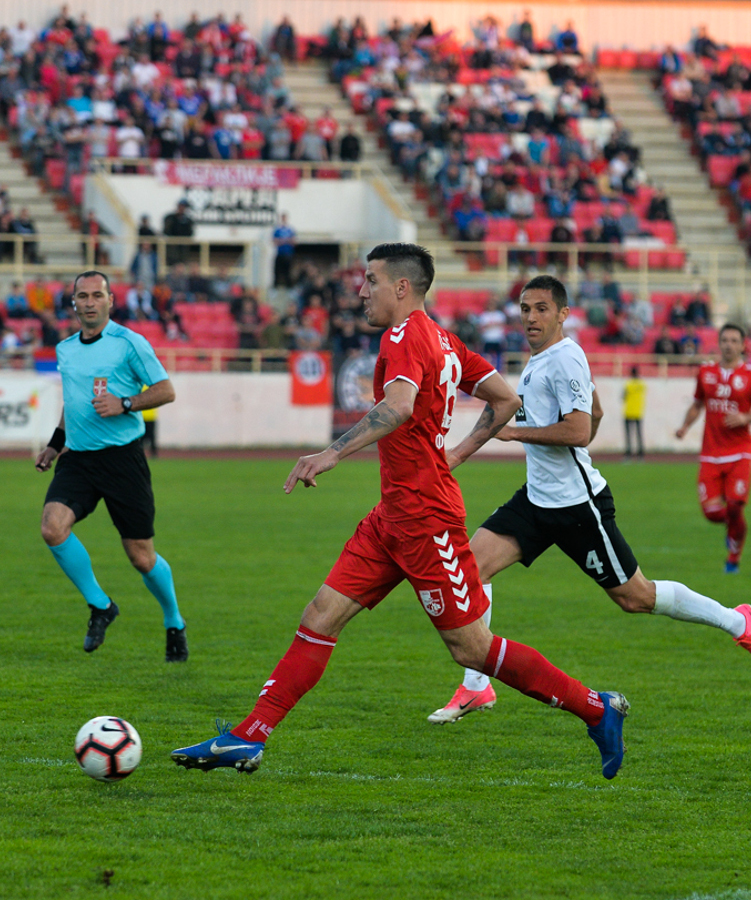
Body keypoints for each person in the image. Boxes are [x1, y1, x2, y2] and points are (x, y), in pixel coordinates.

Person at [171, 247, 634, 780]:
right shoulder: (443, 338)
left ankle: (597, 709)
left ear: (401, 288)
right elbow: (503, 400)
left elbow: (399, 406)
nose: (361, 291)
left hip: (427, 522)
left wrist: (332, 453)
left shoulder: (404, 337)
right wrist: (454, 455)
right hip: (393, 515)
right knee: (319, 617)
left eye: (370, 280)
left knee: (472, 648)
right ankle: (248, 737)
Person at [428, 276, 751, 725]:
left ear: (563, 314)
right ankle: (477, 687)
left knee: (636, 597)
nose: (531, 317)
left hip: (577, 507)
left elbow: (579, 429)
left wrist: (517, 432)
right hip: (537, 500)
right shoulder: (540, 361)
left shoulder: (565, 358)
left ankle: (737, 620)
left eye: (541, 309)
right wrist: (455, 456)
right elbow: (596, 412)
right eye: (525, 308)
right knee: (472, 567)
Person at [34, 271, 187, 661]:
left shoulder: (129, 343)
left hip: (123, 460)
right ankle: (101, 605)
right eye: (82, 296)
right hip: (79, 459)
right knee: (52, 527)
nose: (89, 302)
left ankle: (174, 621)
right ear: (73, 303)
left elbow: (166, 390)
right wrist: (55, 445)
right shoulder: (65, 348)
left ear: (110, 300)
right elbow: (75, 401)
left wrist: (126, 403)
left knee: (141, 557)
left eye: (96, 295)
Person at [675, 324, 751, 573]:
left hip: (740, 451)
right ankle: (733, 529)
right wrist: (685, 426)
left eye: (734, 340)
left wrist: (745, 418)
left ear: (742, 346)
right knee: (711, 513)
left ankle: (734, 556)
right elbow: (698, 404)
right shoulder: (706, 371)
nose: (729, 344)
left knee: (734, 505)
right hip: (710, 453)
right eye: (725, 340)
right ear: (720, 343)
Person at [622, 365, 646, 459]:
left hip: (628, 411)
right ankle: (641, 454)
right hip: (638, 411)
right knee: (639, 434)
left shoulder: (628, 384)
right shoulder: (642, 384)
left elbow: (623, 396)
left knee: (628, 435)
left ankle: (628, 453)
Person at [273, 212, 296, 289]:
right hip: (280, 254)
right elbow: (275, 242)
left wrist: (282, 241)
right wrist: (286, 241)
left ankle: (289, 288)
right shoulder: (277, 230)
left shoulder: (290, 230)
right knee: (277, 271)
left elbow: (294, 242)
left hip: (288, 254)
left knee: (288, 272)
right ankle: (275, 288)